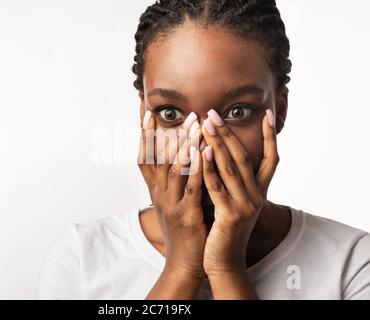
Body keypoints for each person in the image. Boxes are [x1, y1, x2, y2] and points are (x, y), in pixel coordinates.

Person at [37, 0, 370, 300]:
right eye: (170, 113)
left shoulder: (350, 262)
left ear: (279, 110)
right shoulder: (83, 257)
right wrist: (181, 269)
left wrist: (227, 270)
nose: (201, 147)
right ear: (144, 115)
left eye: (238, 112)